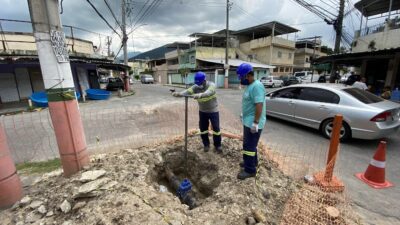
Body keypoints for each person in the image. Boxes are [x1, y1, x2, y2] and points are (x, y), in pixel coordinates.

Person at [172, 71, 222, 153]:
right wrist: (179, 94)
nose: (199, 85)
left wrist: (200, 95)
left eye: (200, 83)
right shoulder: (196, 87)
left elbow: (208, 92)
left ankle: (218, 145)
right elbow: (187, 91)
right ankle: (206, 145)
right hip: (202, 111)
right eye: (197, 83)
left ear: (204, 80)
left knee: (216, 129)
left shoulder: (211, 85)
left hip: (213, 111)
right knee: (203, 129)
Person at [236, 63, 266, 180]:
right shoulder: (250, 85)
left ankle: (250, 170)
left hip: (253, 122)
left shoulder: (257, 86)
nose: (241, 80)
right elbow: (250, 103)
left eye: (242, 77)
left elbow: (259, 105)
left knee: (249, 146)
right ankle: (252, 162)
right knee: (250, 144)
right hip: (248, 121)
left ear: (248, 75)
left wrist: (255, 122)